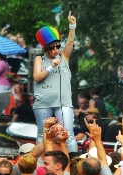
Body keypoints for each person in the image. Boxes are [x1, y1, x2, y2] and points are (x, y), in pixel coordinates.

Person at [32, 14, 78, 151]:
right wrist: (51, 67)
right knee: (42, 135)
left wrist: (72, 26)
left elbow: (70, 41)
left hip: (63, 102)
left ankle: (73, 163)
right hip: (43, 102)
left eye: (57, 46)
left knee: (68, 134)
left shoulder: (64, 56)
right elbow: (37, 77)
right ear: (46, 48)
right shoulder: (40, 59)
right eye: (52, 47)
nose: (56, 49)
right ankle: (40, 162)